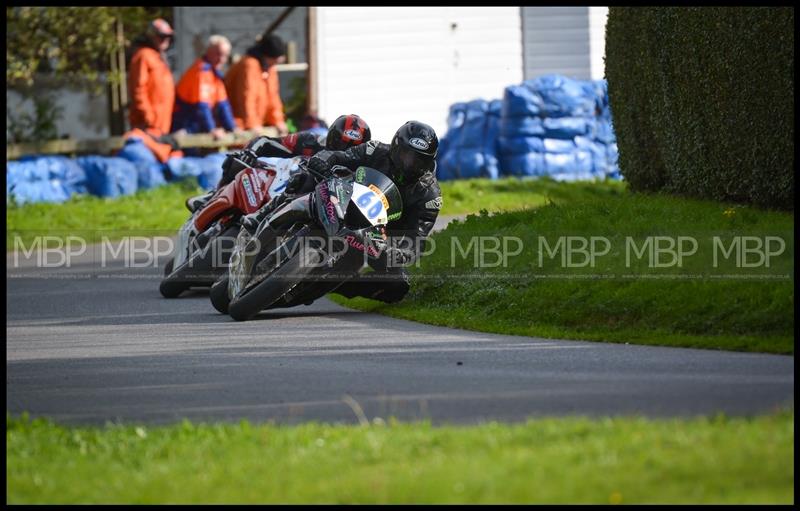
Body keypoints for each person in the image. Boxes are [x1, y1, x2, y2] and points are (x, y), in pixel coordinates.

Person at [243, 120, 443, 304]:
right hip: (344, 201)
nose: (409, 164)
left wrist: (397, 252)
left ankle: (332, 284)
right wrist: (323, 160)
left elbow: (416, 240)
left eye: (418, 161)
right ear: (396, 146)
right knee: (304, 180)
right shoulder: (376, 151)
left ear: (429, 162)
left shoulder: (429, 196)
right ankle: (265, 218)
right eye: (406, 156)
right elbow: (341, 156)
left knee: (397, 285)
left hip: (377, 237)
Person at [184, 114, 371, 212]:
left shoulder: (359, 169)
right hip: (278, 181)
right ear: (330, 137)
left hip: (304, 201)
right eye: (339, 144)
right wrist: (251, 152)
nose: (341, 151)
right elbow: (266, 142)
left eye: (349, 149)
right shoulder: (310, 141)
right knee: (237, 162)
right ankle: (212, 197)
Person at [172, 35, 237, 139]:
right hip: (184, 124)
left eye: (225, 55)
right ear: (208, 52)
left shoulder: (215, 74)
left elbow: (223, 105)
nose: (221, 59)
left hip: (196, 125)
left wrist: (233, 128)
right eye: (218, 54)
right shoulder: (201, 71)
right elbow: (201, 107)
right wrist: (211, 129)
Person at [224, 33, 288, 135]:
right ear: (267, 56)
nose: (275, 64)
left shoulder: (269, 68)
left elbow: (273, 97)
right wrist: (252, 124)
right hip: (239, 125)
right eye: (275, 60)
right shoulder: (249, 65)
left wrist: (278, 121)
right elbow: (246, 97)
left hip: (256, 125)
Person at [127, 18, 175, 136]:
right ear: (151, 36)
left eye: (168, 37)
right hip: (147, 126)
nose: (165, 40)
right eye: (161, 36)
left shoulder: (159, 58)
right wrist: (149, 118)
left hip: (162, 125)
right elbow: (138, 89)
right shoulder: (143, 56)